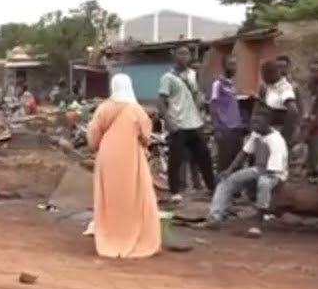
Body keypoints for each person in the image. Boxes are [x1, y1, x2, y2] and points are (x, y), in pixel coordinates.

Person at [83, 74, 162, 258]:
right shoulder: (137, 110)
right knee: (135, 195)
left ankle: (108, 233)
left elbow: (93, 137)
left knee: (109, 197)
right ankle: (136, 234)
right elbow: (146, 136)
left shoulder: (104, 108)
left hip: (107, 157)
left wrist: (98, 145)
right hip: (131, 158)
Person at [208, 111, 288, 238]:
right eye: (253, 122)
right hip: (259, 169)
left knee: (264, 183)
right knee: (226, 181)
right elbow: (244, 153)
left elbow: (273, 170)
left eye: (258, 122)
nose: (254, 125)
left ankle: (258, 224)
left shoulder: (276, 141)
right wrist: (229, 170)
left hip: (275, 174)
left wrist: (250, 180)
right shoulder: (257, 134)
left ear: (267, 123)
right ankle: (215, 216)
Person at [158, 46, 217, 203]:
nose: (184, 56)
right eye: (180, 53)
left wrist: (202, 107)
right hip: (178, 123)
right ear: (174, 56)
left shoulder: (193, 74)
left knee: (204, 156)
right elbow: (161, 102)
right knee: (176, 160)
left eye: (186, 53)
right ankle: (175, 191)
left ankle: (212, 187)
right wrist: (168, 121)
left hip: (195, 123)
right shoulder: (168, 78)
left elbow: (198, 95)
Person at [207, 55, 245, 174]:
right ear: (224, 66)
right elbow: (212, 105)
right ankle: (221, 184)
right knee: (224, 162)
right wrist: (216, 128)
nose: (233, 67)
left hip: (236, 128)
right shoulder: (217, 84)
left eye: (235, 64)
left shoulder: (232, 85)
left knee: (237, 161)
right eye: (230, 64)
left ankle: (236, 185)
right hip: (224, 128)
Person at [258, 59, 299, 142]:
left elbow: (293, 111)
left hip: (277, 130)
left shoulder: (284, 88)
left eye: (263, 75)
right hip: (268, 130)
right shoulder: (270, 87)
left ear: (270, 73)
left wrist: (284, 135)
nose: (263, 78)